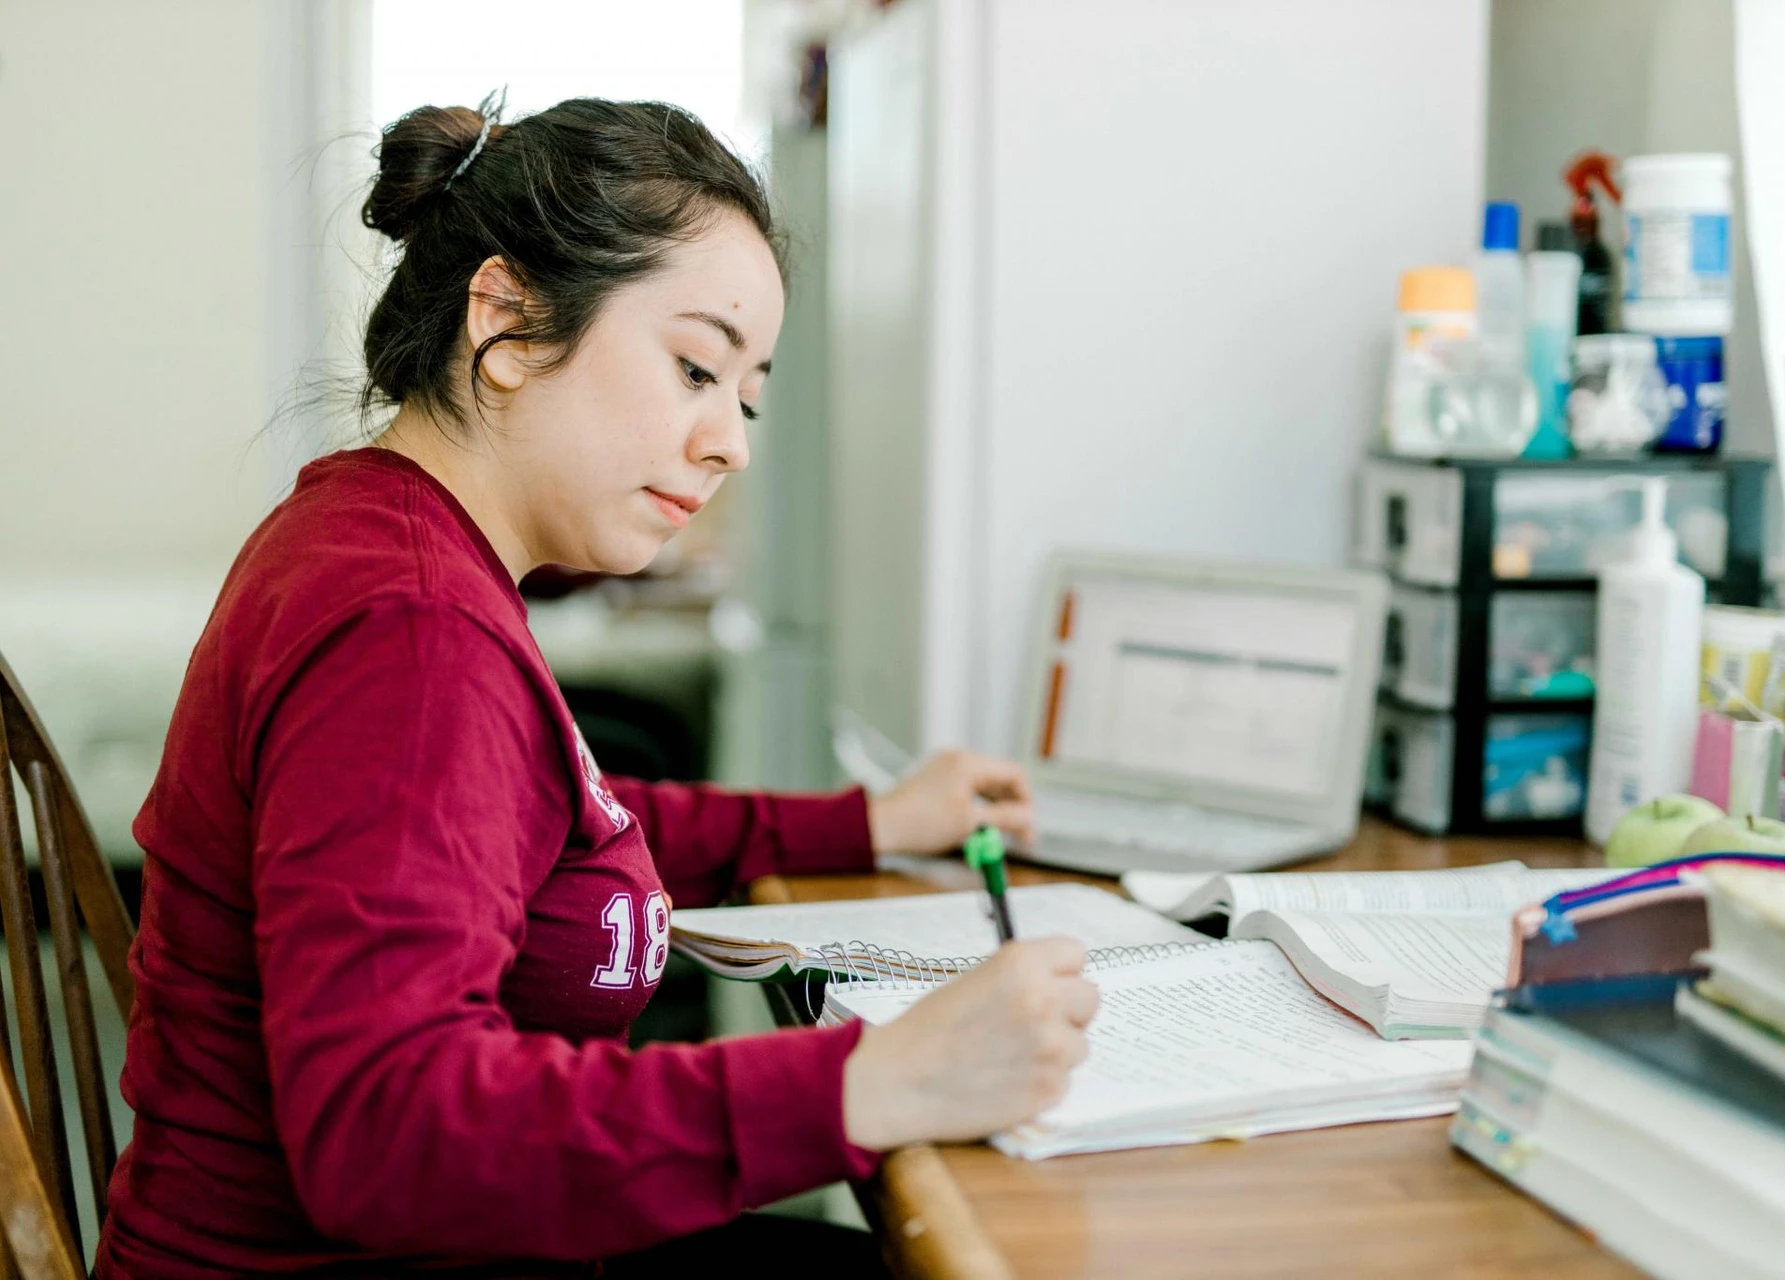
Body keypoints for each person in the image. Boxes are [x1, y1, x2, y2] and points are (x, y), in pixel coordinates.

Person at [95, 97, 1100, 1278]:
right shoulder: (409, 629)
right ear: (510, 321)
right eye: (694, 368)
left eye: (748, 396)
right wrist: (882, 1075)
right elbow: (387, 1129)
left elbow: (553, 821)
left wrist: (869, 822)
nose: (732, 441)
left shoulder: (389, 538)